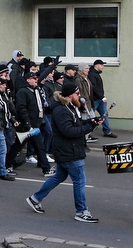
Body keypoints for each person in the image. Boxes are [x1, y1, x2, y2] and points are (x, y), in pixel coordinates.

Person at [25, 82, 100, 223]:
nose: (80, 96)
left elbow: (75, 125)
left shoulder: (69, 107)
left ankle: (35, 198)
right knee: (80, 181)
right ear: (70, 95)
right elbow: (69, 131)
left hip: (68, 150)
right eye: (77, 94)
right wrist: (89, 127)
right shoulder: (61, 110)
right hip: (69, 151)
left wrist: (92, 122)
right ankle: (82, 211)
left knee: (58, 176)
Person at [89, 59, 117, 138]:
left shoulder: (96, 74)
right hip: (95, 99)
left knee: (104, 115)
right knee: (91, 116)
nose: (103, 67)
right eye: (101, 65)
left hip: (100, 99)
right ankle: (87, 133)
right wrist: (101, 97)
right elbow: (93, 87)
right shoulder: (92, 74)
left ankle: (107, 131)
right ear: (96, 65)